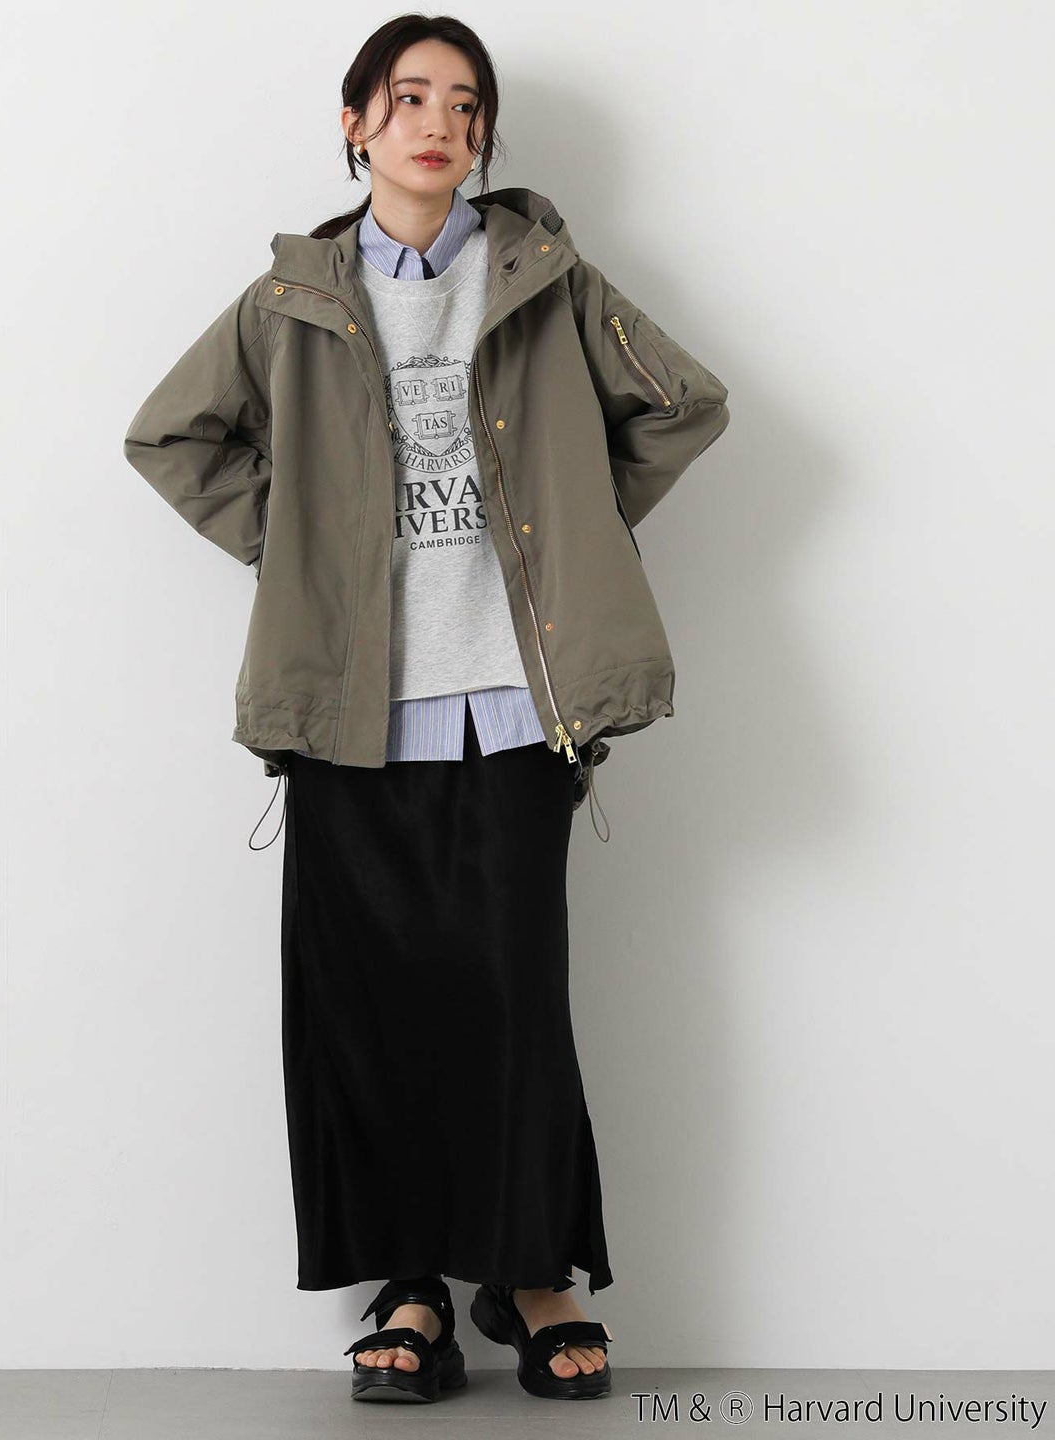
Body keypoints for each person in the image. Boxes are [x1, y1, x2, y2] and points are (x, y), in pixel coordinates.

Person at [122, 12, 730, 1406]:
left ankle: (533, 1275)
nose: (438, 123)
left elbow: (683, 406)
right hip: (351, 716)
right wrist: (306, 546)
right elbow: (169, 435)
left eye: (464, 103)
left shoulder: (546, 277)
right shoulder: (292, 299)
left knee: (515, 1003)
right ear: (356, 124)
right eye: (407, 98)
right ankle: (406, 1286)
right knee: (367, 1011)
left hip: (517, 708)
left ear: (484, 133)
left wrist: (567, 531)